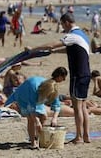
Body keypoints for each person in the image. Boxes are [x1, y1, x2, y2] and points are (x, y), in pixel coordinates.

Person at [29, 13, 91, 144]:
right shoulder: (82, 35)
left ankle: (79, 137)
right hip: (85, 74)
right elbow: (70, 50)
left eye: (62, 24)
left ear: (67, 22)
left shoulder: (73, 35)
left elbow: (52, 44)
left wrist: (33, 49)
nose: (63, 27)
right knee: (83, 106)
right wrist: (53, 52)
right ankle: (86, 135)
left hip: (77, 75)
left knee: (77, 106)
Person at [4, 67, 66, 149]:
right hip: (24, 97)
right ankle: (33, 142)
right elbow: (31, 109)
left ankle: (39, 138)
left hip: (38, 98)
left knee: (43, 117)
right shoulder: (34, 88)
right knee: (31, 119)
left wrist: (54, 118)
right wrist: (37, 122)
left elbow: (57, 105)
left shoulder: (53, 89)